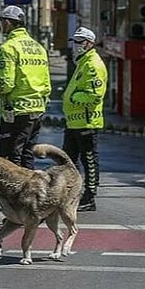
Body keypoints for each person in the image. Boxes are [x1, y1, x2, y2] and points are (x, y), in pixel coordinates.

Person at [0, 5, 51, 170]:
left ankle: (16, 193)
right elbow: (47, 84)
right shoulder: (38, 48)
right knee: (27, 154)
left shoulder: (8, 48)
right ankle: (32, 192)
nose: (1, 27)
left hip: (16, 112)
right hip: (37, 111)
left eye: (2, 23)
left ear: (7, 23)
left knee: (11, 156)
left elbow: (6, 85)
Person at [62, 26, 108, 212]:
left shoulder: (93, 64)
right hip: (74, 121)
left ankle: (89, 197)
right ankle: (69, 194)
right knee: (68, 160)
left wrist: (73, 98)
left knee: (89, 159)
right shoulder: (83, 62)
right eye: (74, 41)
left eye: (80, 42)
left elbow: (95, 95)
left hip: (86, 121)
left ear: (90, 43)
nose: (76, 45)